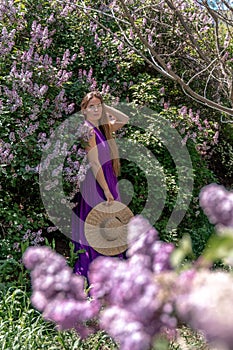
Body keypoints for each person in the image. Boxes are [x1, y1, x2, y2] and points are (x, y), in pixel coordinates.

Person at [72, 91, 129, 279]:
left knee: (111, 225)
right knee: (98, 227)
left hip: (108, 179)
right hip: (97, 183)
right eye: (91, 106)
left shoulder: (103, 128)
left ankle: (112, 273)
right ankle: (96, 277)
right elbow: (94, 163)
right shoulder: (88, 130)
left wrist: (105, 106)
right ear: (84, 110)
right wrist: (105, 189)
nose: (96, 109)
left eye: (98, 105)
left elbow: (125, 119)